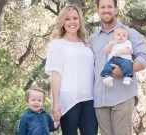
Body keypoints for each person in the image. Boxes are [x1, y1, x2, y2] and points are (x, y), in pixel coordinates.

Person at [89, 0, 146, 134]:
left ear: (116, 10)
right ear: (98, 10)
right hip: (100, 101)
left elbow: (144, 58)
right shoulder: (93, 39)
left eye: (110, 6)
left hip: (122, 97)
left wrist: (124, 71)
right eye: (102, 7)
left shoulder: (129, 33)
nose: (106, 10)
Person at [45, 4, 98, 135]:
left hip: (89, 99)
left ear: (80, 20)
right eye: (67, 19)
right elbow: (55, 75)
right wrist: (56, 103)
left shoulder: (86, 43)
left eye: (75, 18)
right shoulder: (57, 44)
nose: (72, 22)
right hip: (68, 101)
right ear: (62, 22)